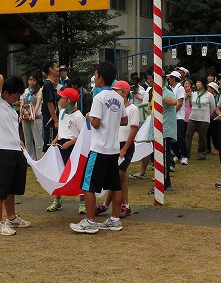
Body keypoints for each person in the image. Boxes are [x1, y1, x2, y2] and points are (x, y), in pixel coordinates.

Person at [70, 61, 128, 234]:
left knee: (88, 185)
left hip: (99, 148)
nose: (94, 78)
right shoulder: (118, 97)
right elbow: (124, 120)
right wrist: (112, 119)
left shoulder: (99, 97)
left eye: (95, 75)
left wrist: (88, 116)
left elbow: (95, 123)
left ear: (100, 78)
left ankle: (90, 221)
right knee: (115, 185)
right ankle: (115, 220)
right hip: (113, 149)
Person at [0, 73, 30, 236]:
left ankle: (11, 217)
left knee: (11, 187)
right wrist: (13, 81)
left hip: (15, 150)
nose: (15, 99)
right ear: (4, 93)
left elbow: (11, 129)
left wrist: (19, 140)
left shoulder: (10, 108)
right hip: (1, 150)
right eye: (14, 95)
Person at [97, 81, 139, 218]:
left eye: (117, 91)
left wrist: (125, 148)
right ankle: (112, 204)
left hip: (125, 145)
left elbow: (133, 129)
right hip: (115, 144)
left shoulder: (133, 109)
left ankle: (122, 205)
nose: (115, 93)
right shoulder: (115, 107)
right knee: (116, 177)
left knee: (120, 175)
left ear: (125, 93)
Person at [46, 87, 86, 214]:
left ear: (69, 101)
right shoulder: (62, 112)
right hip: (60, 146)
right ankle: (57, 200)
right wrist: (56, 139)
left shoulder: (78, 116)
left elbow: (83, 135)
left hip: (73, 148)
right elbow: (61, 130)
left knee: (77, 173)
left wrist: (70, 143)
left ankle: (82, 202)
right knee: (59, 174)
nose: (60, 100)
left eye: (62, 98)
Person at [147, 70, 178, 195]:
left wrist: (162, 98)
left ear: (165, 80)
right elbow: (151, 107)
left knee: (162, 158)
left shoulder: (166, 91)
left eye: (161, 79)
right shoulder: (154, 92)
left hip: (164, 130)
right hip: (156, 129)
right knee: (158, 158)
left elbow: (174, 102)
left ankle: (162, 184)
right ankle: (167, 183)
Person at [184, 76, 214, 161]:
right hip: (193, 117)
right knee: (188, 135)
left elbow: (213, 107)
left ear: (203, 84)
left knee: (202, 137)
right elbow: (191, 105)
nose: (197, 84)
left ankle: (201, 153)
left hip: (204, 119)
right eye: (196, 82)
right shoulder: (194, 94)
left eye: (199, 82)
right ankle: (186, 154)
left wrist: (207, 115)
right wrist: (189, 97)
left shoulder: (209, 95)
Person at [20, 74, 44, 160]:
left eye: (34, 80)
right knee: (28, 140)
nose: (32, 81)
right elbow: (22, 103)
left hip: (36, 117)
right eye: (30, 80)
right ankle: (30, 159)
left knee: (38, 140)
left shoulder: (39, 90)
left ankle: (39, 159)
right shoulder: (25, 91)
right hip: (25, 117)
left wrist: (33, 113)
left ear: (36, 81)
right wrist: (21, 113)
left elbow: (38, 103)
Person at [167, 70, 188, 164]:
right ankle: (177, 155)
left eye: (170, 78)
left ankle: (184, 155)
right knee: (172, 138)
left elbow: (179, 103)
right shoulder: (170, 88)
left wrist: (171, 113)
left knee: (179, 137)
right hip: (172, 117)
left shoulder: (180, 88)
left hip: (179, 116)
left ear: (174, 79)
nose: (169, 79)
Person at [40, 60, 60, 152]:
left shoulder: (50, 84)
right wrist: (55, 120)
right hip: (50, 120)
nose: (58, 69)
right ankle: (42, 165)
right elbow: (49, 103)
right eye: (56, 67)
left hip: (51, 119)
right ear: (51, 69)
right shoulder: (48, 84)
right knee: (48, 146)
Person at [206, 81, 221, 155]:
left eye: (209, 87)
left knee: (214, 133)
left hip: (215, 118)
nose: (208, 88)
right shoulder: (207, 95)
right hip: (207, 116)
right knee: (206, 133)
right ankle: (207, 148)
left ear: (213, 89)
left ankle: (218, 148)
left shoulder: (217, 97)